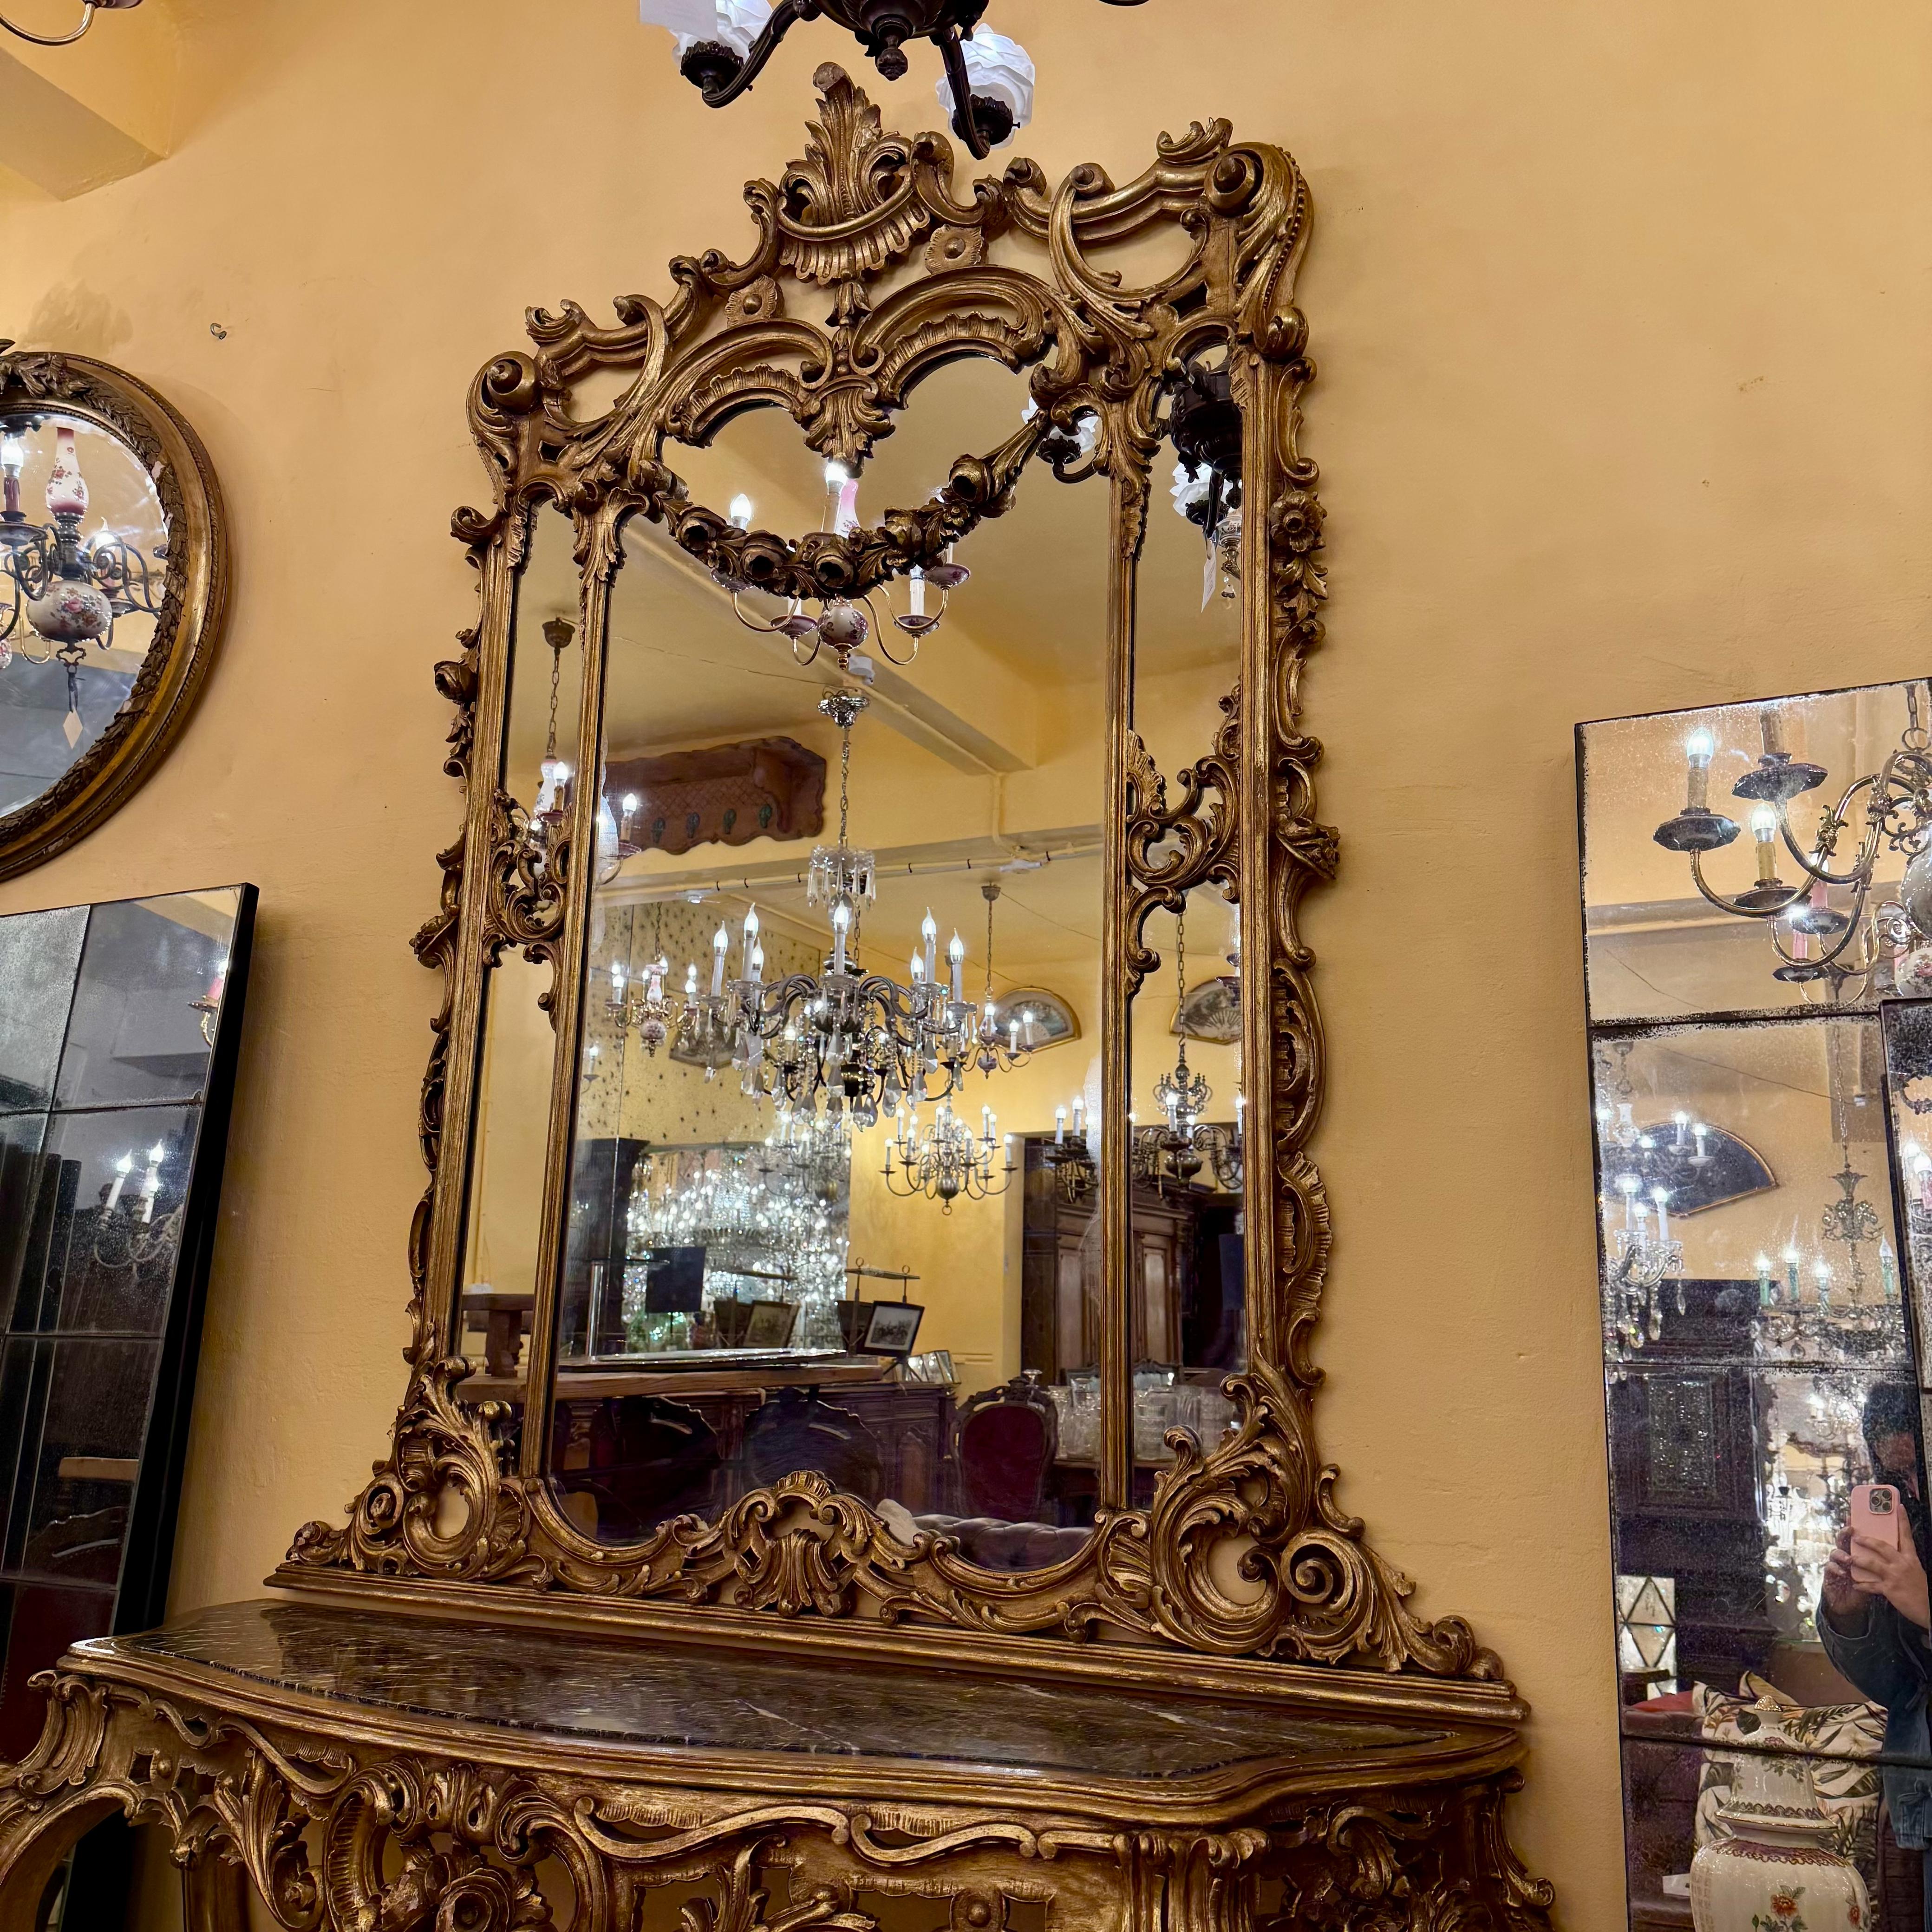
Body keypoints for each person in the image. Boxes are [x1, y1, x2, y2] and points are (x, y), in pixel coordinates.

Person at [1818, 1382, 1932, 1923]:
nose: (1910, 1487)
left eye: (1918, 1470)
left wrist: (1927, 1607)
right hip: (1916, 1794)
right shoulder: (1909, 1535)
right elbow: (1895, 1686)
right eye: (1897, 1476)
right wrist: (1848, 1615)